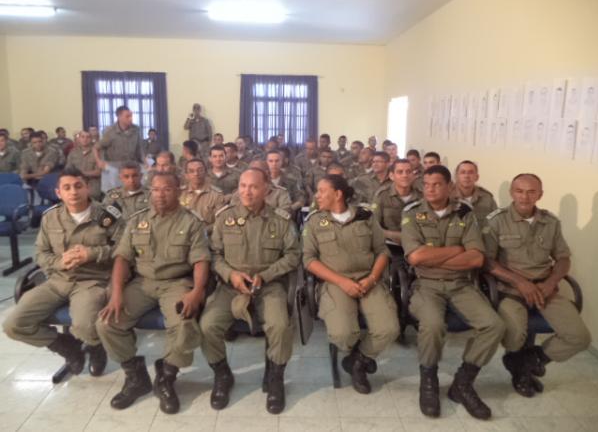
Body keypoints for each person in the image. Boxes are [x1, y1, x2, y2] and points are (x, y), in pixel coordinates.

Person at [97, 171, 211, 414]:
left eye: (167, 189)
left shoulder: (191, 221)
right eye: (156, 189)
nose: (160, 194)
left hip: (176, 282)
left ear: (178, 190)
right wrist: (116, 293)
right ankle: (135, 375)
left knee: (184, 324)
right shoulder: (137, 220)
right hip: (142, 282)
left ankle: (167, 375)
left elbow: (201, 260)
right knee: (106, 323)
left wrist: (197, 292)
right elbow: (122, 258)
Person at [402, 165, 505, 420]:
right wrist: (458, 251)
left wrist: (433, 257)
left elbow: (476, 259)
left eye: (436, 184)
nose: (430, 189)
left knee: (494, 325)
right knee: (433, 324)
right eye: (426, 185)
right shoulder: (413, 214)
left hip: (461, 284)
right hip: (426, 285)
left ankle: (463, 382)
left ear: (449, 186)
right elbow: (415, 257)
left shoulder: (465, 213)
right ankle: (429, 379)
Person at [3, 168, 123, 378]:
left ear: (88, 188)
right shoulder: (51, 217)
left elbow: (124, 251)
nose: (73, 192)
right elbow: (40, 253)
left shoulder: (107, 215)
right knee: (14, 325)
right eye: (66, 188)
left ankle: (95, 346)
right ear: (59, 193)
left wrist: (93, 253)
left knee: (85, 326)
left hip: (92, 282)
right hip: (58, 281)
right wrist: (60, 262)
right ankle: (67, 347)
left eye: (78, 186)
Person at [199, 168, 301, 414]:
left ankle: (275, 377)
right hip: (231, 286)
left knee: (279, 326)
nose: (247, 191)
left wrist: (265, 275)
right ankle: (222, 374)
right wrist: (231, 275)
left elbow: (293, 255)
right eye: (243, 185)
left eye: (253, 186)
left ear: (266, 188)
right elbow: (214, 254)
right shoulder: (225, 217)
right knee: (207, 326)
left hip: (269, 285)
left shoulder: (280, 219)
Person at [483, 173, 591, 397]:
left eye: (532, 191)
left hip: (545, 290)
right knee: (514, 336)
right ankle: (520, 367)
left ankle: (528, 361)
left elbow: (563, 258)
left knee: (579, 337)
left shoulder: (550, 222)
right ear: (512, 193)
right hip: (510, 290)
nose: (525, 196)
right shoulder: (496, 220)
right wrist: (520, 282)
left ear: (540, 194)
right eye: (520, 191)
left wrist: (552, 282)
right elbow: (487, 262)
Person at [303, 175, 400, 394]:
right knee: (342, 334)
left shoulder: (365, 217)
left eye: (321, 191)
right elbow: (309, 260)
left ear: (338, 194)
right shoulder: (315, 221)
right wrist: (342, 282)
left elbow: (382, 251)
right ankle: (356, 354)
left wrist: (372, 278)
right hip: (335, 282)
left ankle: (358, 360)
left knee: (389, 329)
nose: (316, 195)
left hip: (369, 279)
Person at [373, 159, 420, 245]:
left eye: (408, 171)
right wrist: (399, 236)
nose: (405, 175)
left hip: (417, 246)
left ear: (413, 175)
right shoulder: (382, 196)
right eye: (400, 172)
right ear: (391, 176)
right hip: (389, 246)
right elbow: (374, 227)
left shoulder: (422, 197)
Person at [180, 158, 226, 230]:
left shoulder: (217, 195)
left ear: (206, 172)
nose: (196, 174)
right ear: (186, 175)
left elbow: (220, 222)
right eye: (191, 171)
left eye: (200, 170)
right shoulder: (179, 193)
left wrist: (203, 231)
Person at [451, 160, 497, 225]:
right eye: (463, 172)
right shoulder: (446, 197)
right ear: (456, 177)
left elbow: (496, 224)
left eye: (470, 172)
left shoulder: (487, 199)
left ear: (477, 177)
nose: (466, 176)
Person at [66, 130, 102, 200]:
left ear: (91, 139)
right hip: (75, 183)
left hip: (92, 185)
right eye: (82, 137)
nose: (85, 139)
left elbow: (98, 172)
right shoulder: (73, 152)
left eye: (88, 137)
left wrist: (80, 173)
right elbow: (68, 169)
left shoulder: (98, 152)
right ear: (79, 138)